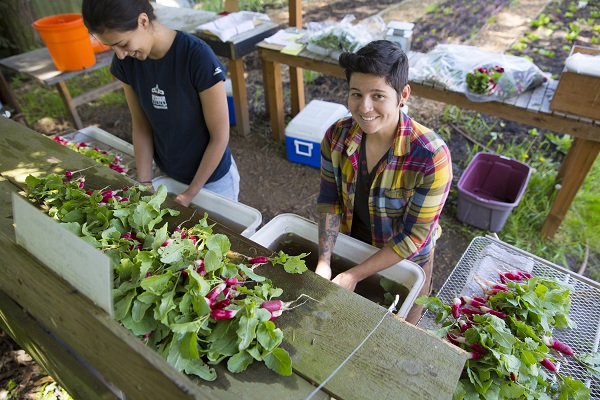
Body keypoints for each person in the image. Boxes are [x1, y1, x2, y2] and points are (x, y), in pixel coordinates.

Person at [315, 40, 452, 324]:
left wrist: (353, 275)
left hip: (407, 261)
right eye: (356, 94)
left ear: (403, 95)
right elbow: (330, 200)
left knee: (398, 328)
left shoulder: (430, 156)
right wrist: (324, 261)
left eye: (378, 96)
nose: (364, 108)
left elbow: (414, 237)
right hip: (355, 244)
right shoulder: (336, 137)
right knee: (347, 320)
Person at [82, 0, 239, 205]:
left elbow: (219, 137)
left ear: (143, 21)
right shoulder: (126, 63)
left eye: (122, 44)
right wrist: (145, 182)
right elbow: (141, 125)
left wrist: (190, 194)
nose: (120, 54)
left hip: (212, 180)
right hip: (168, 175)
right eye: (111, 47)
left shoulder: (197, 57)